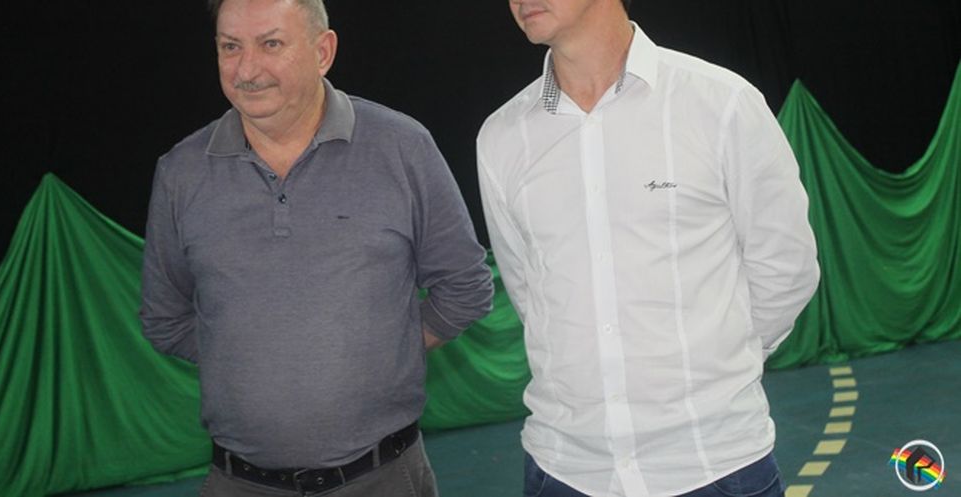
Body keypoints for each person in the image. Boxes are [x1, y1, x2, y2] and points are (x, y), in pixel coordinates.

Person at [139, 0, 494, 495]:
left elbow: (465, 288)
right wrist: (250, 357)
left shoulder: (402, 147)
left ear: (323, 51)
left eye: (271, 44)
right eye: (230, 47)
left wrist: (382, 352)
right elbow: (164, 319)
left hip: (385, 479)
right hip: (239, 484)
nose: (246, 70)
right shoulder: (181, 173)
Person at [477, 1, 821, 496]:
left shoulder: (721, 104)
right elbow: (528, 288)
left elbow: (785, 269)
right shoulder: (502, 138)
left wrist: (721, 360)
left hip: (715, 465)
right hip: (566, 470)